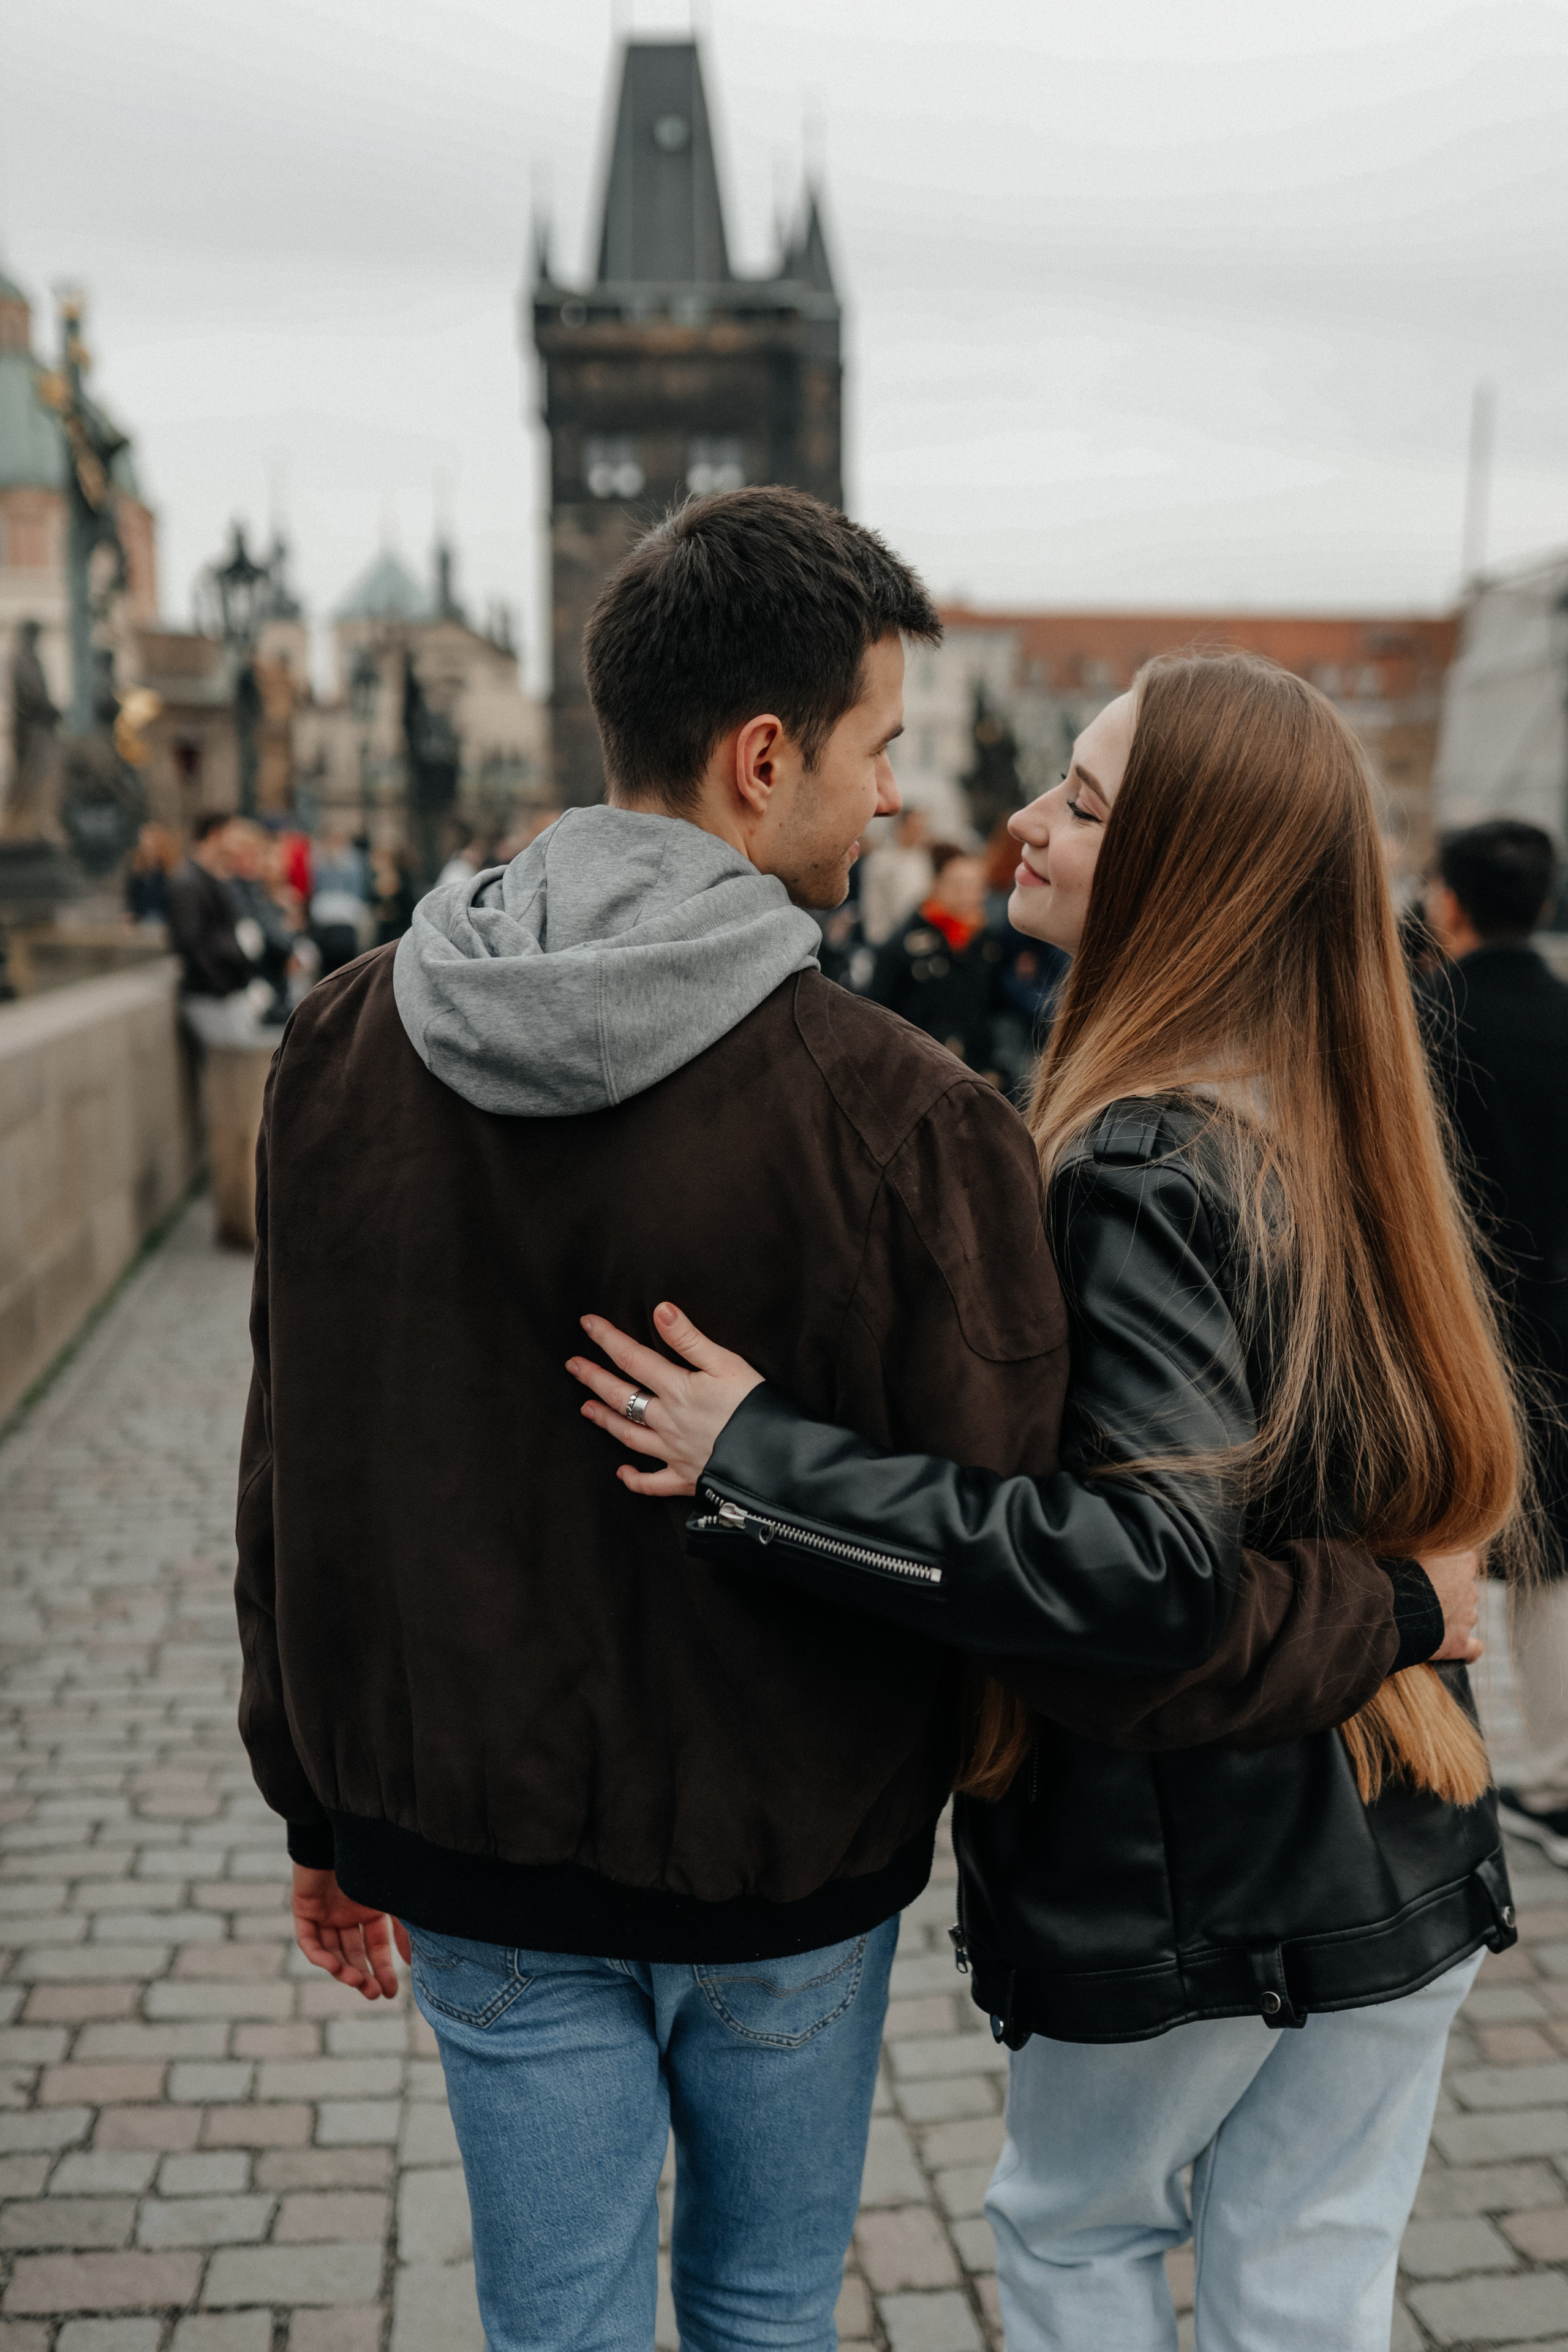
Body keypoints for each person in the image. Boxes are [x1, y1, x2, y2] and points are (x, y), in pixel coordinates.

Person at [238, 504, 1468, 2352]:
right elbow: (1019, 1536)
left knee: (553, 2318)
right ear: (762, 759)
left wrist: (313, 1799)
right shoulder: (906, 1109)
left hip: (468, 1828)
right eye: (883, 748)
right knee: (764, 2306)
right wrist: (1380, 1608)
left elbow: (294, 1473)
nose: (903, 797)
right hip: (785, 1842)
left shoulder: (337, 1041)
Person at [568, 650, 1521, 2352]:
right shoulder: (1341, 1112)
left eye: (1080, 804)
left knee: (1076, 2238)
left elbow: (1147, 1570)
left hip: (1188, 1869)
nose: (1023, 821)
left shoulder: (1148, 1153)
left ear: (1185, 876)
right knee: (1312, 2285)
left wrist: (764, 1457)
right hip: (1402, 1824)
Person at [1423, 819, 1568, 1861]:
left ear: (1452, 904)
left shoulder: (1426, 1019)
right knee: (1559, 1561)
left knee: (1438, 1531)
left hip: (1461, 1324)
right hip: (1566, 1314)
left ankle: (1437, 1760)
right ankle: (1557, 1777)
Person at [865, 842, 1005, 1074]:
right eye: (961, 885)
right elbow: (878, 1010)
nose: (971, 895)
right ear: (937, 883)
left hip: (975, 1068)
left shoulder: (985, 941)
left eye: (977, 886)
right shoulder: (904, 944)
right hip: (920, 1067)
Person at [165, 814, 256, 1011]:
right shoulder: (188, 882)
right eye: (232, 836)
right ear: (216, 834)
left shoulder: (210, 878)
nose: (236, 844)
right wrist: (223, 987)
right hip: (211, 998)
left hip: (225, 993)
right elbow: (192, 944)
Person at [858, 803, 934, 944]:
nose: (921, 833)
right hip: (885, 936)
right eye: (916, 827)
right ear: (902, 827)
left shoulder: (922, 859)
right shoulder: (880, 861)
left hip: (914, 934)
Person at [307, 823, 371, 977]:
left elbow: (358, 892)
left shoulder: (354, 863)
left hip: (346, 923)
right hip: (326, 924)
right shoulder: (319, 862)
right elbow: (316, 888)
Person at [124, 823, 181, 927]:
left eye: (151, 841)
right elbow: (132, 898)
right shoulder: (138, 870)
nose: (148, 845)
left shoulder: (168, 870)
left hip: (164, 919)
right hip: (143, 919)